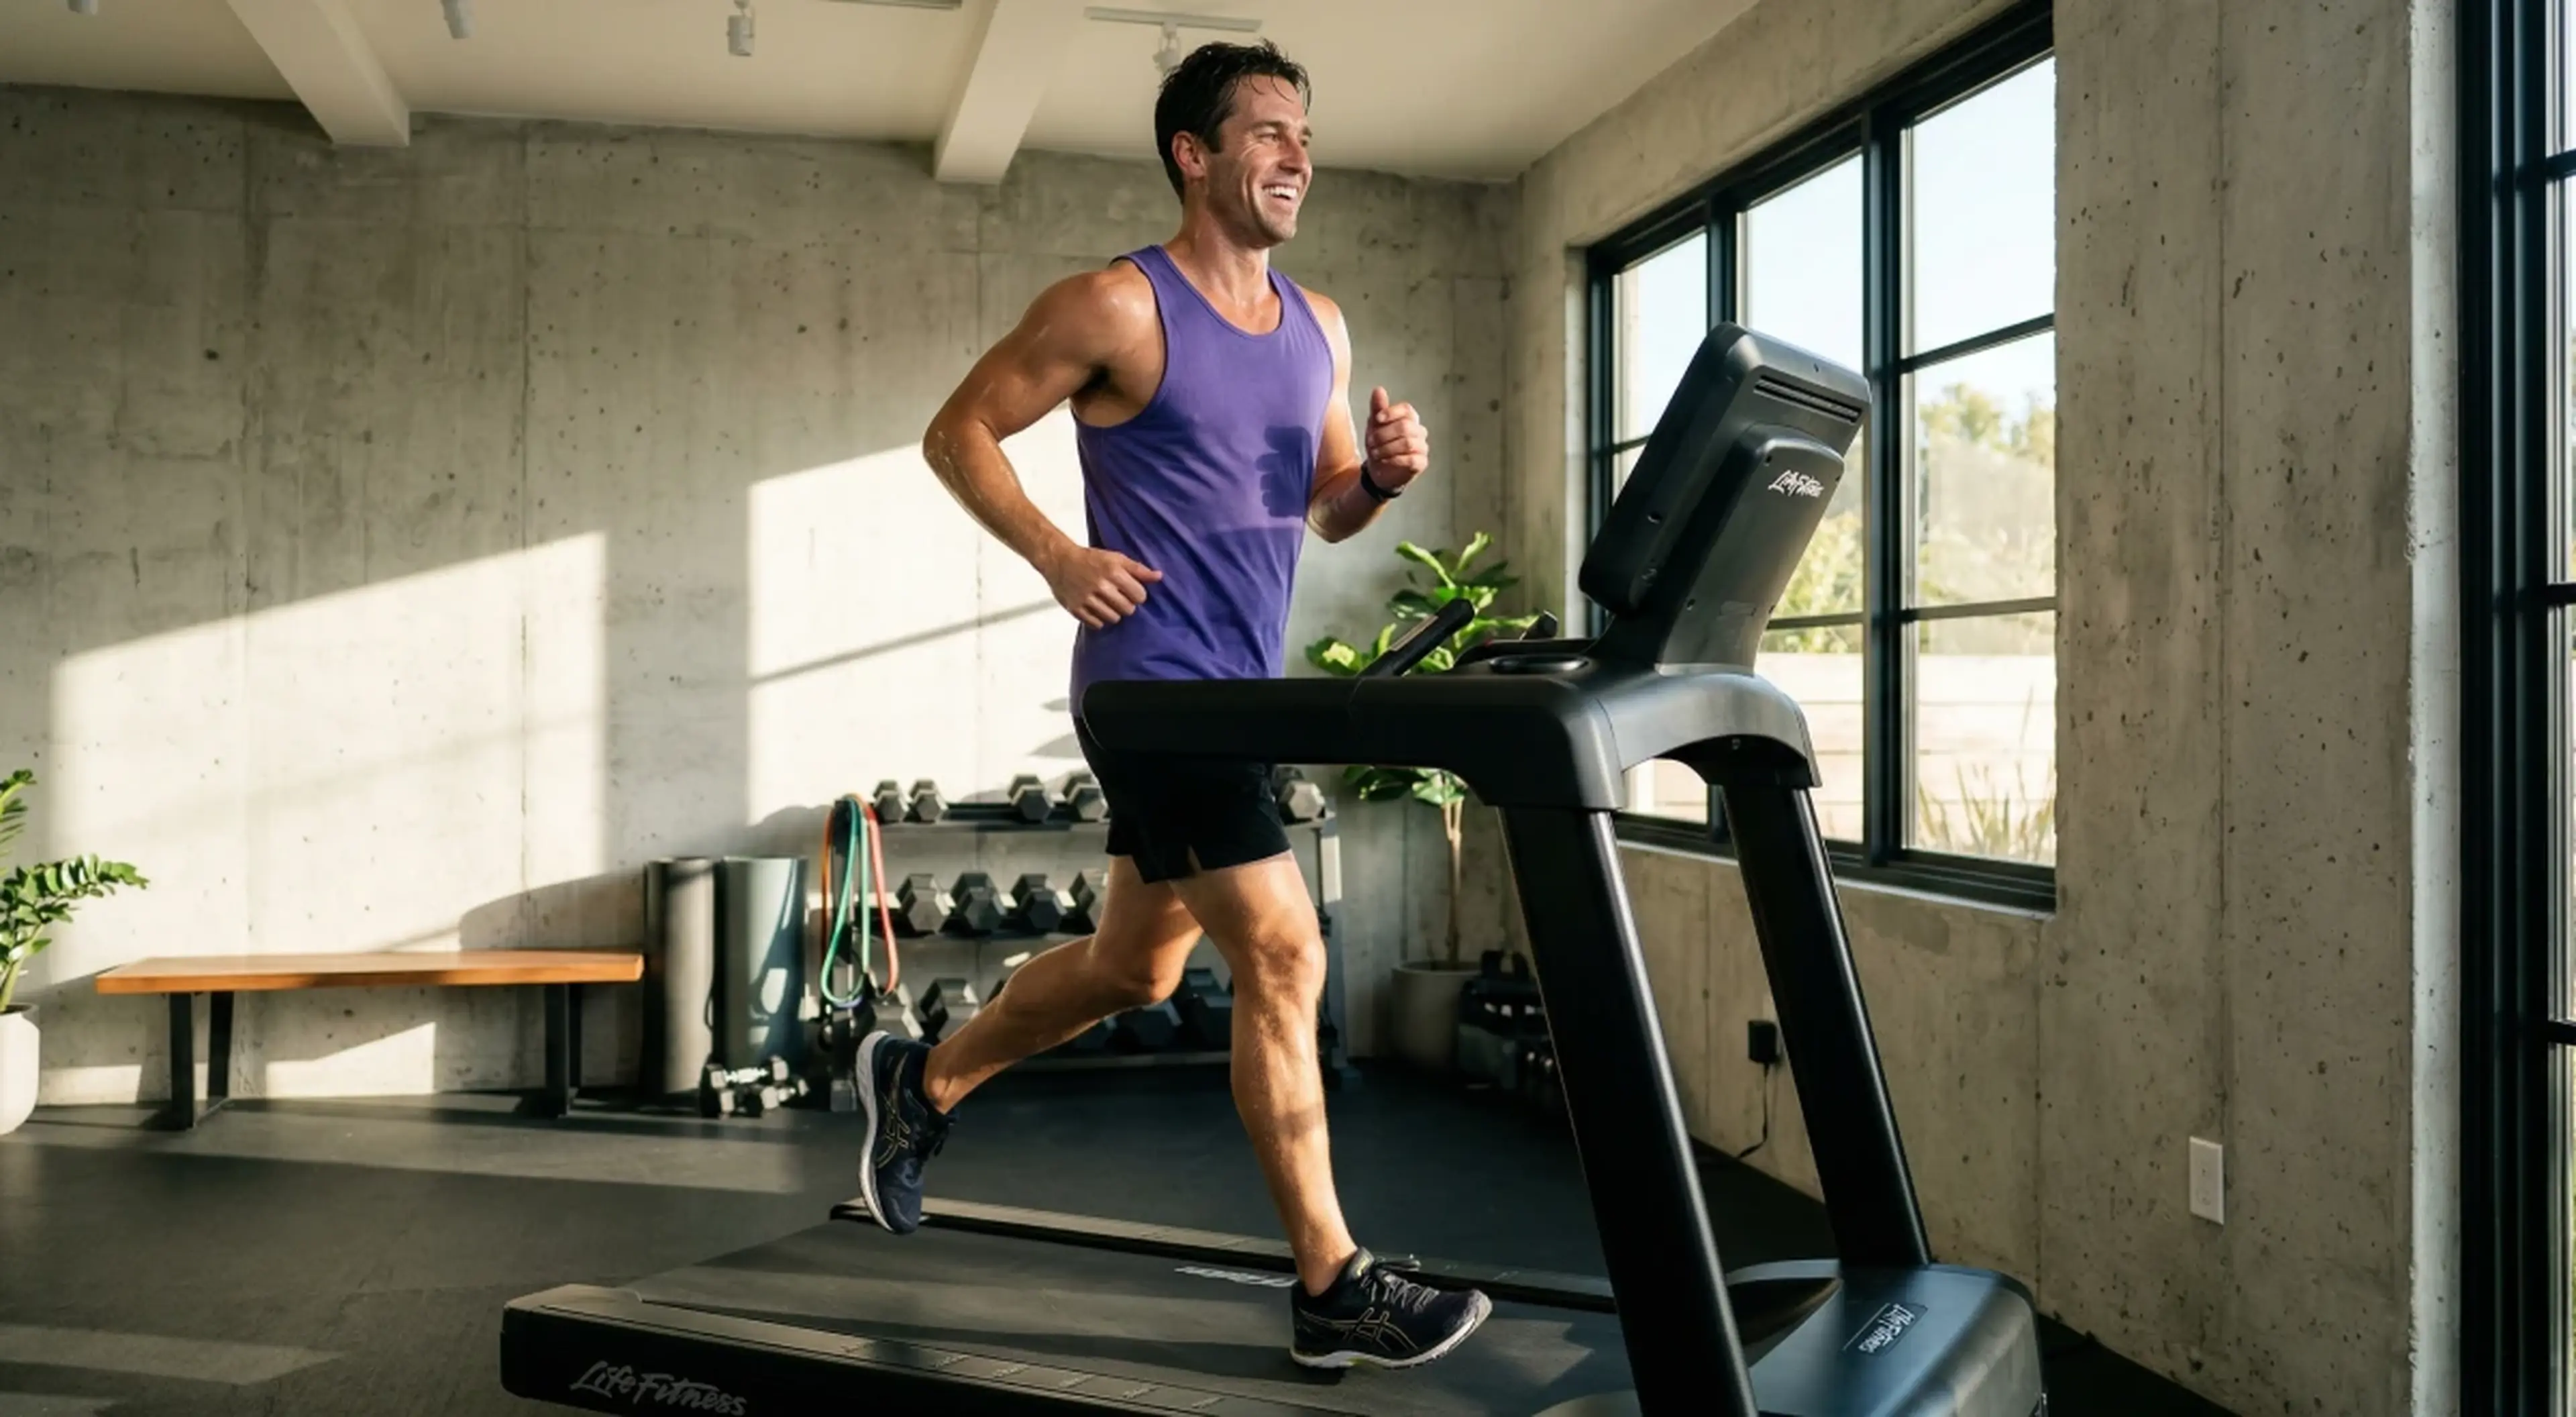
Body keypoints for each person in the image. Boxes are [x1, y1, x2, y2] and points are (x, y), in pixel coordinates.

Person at [853, 38, 1493, 1373]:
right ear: (1193, 154)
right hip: (1150, 690)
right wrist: (1059, 556)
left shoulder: (1319, 325)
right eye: (1266, 131)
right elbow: (957, 430)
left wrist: (1377, 478)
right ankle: (1332, 1282)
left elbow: (1322, 508)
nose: (1297, 155)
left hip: (1238, 696)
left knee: (1129, 968)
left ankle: (927, 1080)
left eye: (1305, 133)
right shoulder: (1117, 308)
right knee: (1284, 951)